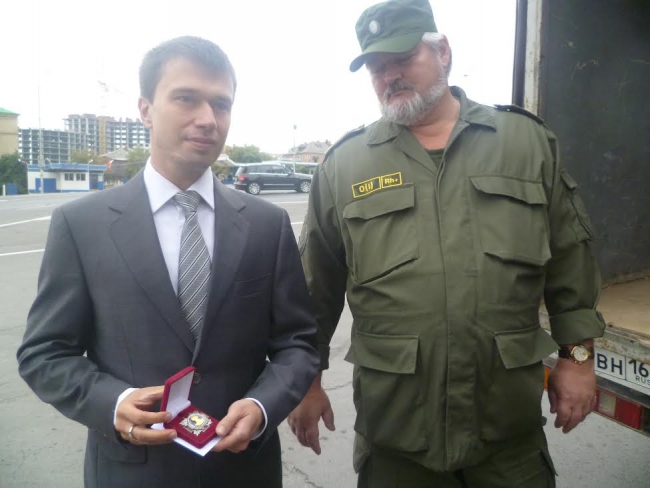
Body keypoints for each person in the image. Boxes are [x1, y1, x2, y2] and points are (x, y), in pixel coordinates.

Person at [288, 0, 605, 486]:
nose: (390, 75)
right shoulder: (344, 166)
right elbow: (315, 288)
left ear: (443, 53)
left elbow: (570, 260)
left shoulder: (525, 143)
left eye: (402, 58)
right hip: (396, 436)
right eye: (376, 66)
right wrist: (306, 380)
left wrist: (577, 358)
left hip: (508, 433)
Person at [17, 36, 319, 488]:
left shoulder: (266, 225)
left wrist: (261, 406)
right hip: (133, 471)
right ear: (145, 109)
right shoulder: (81, 225)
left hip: (242, 470)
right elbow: (44, 353)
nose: (207, 119)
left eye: (221, 104)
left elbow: (297, 343)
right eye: (186, 98)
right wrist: (112, 403)